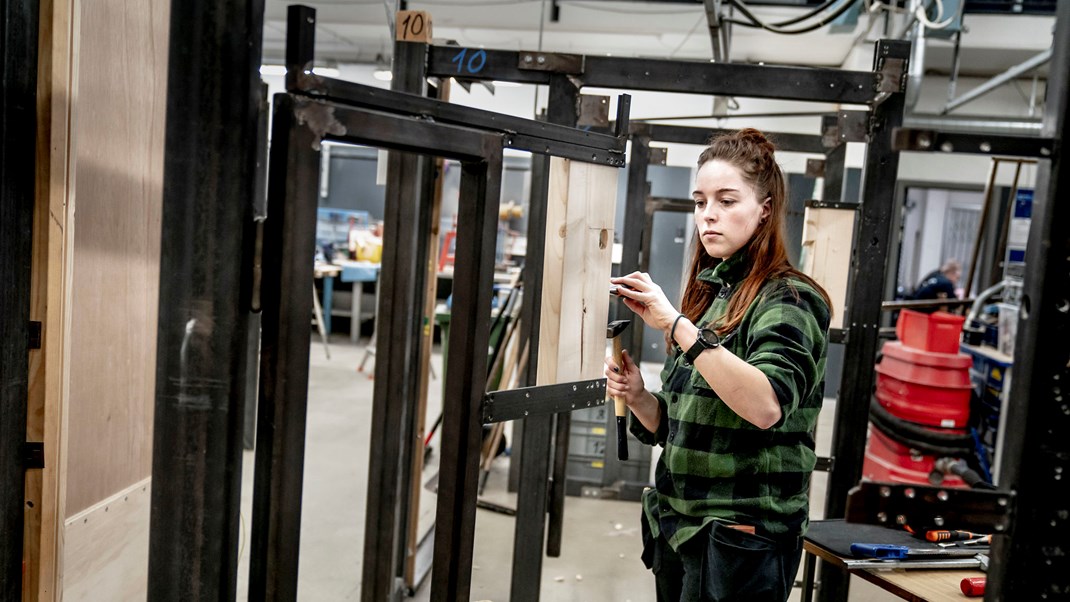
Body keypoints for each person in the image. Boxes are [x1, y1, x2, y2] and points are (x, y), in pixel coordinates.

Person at [605, 128, 831, 602]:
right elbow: (687, 426)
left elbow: (766, 404)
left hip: (740, 535)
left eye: (727, 200)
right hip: (681, 524)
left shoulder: (790, 300)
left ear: (764, 209)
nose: (709, 215)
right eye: (701, 201)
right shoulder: (716, 298)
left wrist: (676, 325)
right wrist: (641, 396)